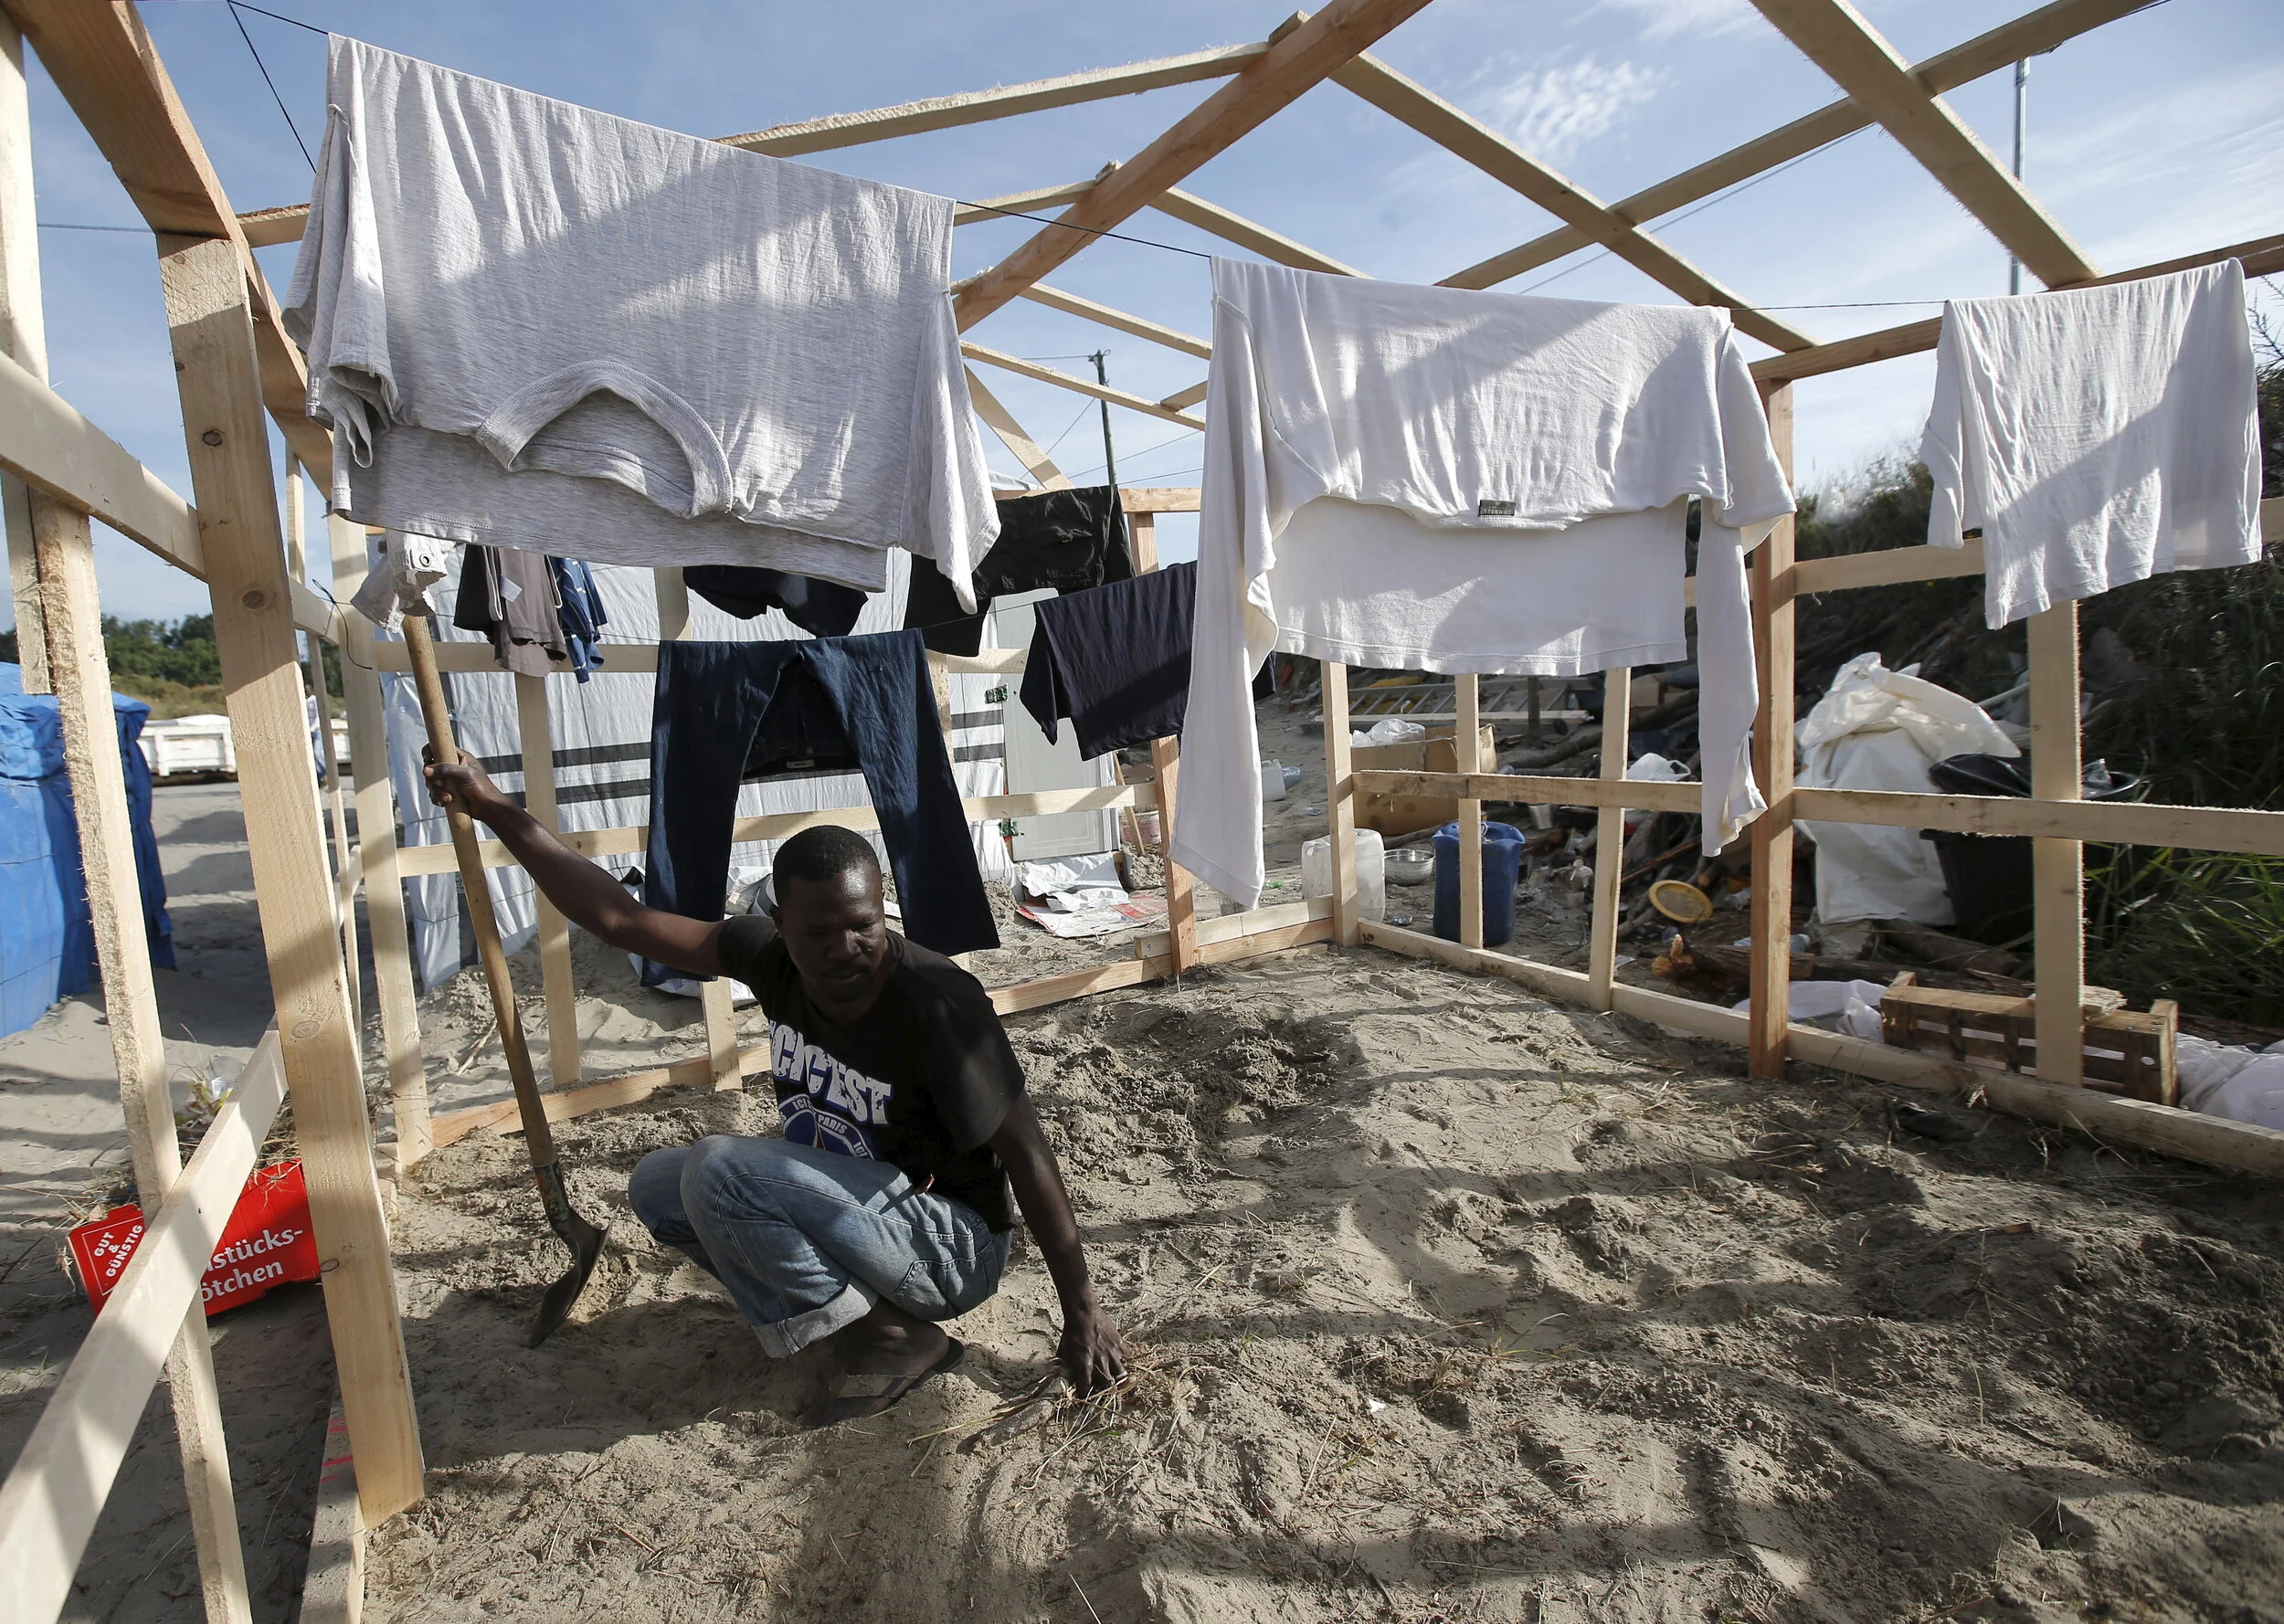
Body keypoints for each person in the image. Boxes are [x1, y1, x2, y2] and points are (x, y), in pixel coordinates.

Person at [423, 753, 1126, 1426]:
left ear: (883, 910)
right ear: (779, 926)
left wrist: (1082, 1308)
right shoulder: (767, 961)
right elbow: (619, 919)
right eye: (819, 933)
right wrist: (497, 811)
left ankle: (901, 1341)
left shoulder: (938, 1002)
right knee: (658, 1186)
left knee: (719, 1171)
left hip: (949, 1241)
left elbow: (1029, 1154)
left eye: (864, 926)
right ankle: (869, 1321)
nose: (845, 948)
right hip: (863, 1210)